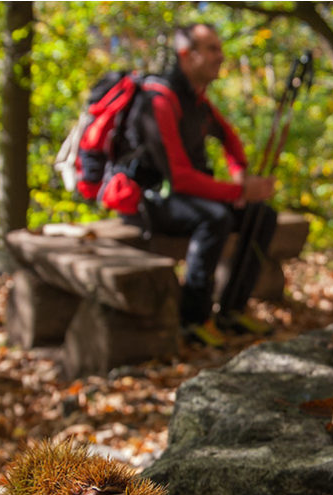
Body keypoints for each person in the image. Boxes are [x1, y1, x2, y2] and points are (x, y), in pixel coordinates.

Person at [122, 22, 278, 347]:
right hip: (151, 202)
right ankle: (193, 319)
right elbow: (177, 176)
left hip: (184, 198)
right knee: (215, 218)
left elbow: (230, 139)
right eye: (211, 49)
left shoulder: (197, 100)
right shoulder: (160, 100)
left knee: (261, 215)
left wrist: (241, 175)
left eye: (219, 49)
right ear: (185, 55)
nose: (220, 57)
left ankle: (231, 310)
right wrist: (238, 191)